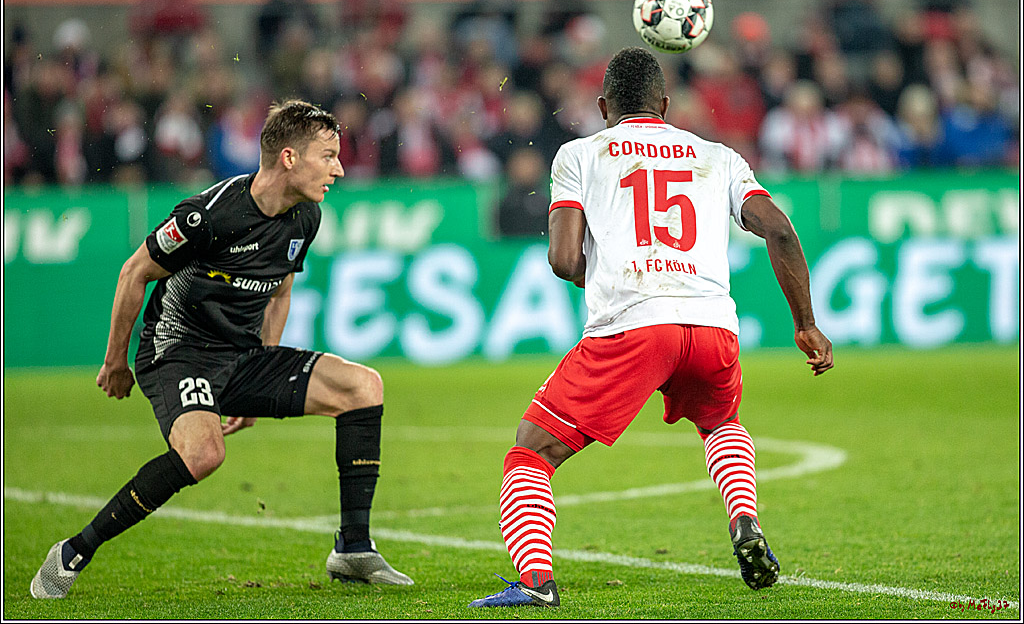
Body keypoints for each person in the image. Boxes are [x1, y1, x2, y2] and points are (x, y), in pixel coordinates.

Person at [468, 47, 834, 608]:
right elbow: (781, 231)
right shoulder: (719, 156)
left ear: (602, 105)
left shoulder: (579, 155)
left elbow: (564, 260)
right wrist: (806, 324)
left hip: (634, 327)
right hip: (713, 327)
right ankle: (744, 519)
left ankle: (536, 585)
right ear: (665, 104)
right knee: (720, 421)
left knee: (532, 451)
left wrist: (615, 275)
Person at [30, 100, 412, 599]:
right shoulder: (206, 216)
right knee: (204, 454)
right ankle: (74, 551)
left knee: (363, 386)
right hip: (177, 350)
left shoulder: (305, 218)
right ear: (290, 158)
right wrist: (115, 360)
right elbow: (134, 273)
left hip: (240, 356)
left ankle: (354, 549)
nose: (340, 168)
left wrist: (266, 368)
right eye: (329, 156)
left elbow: (280, 288)